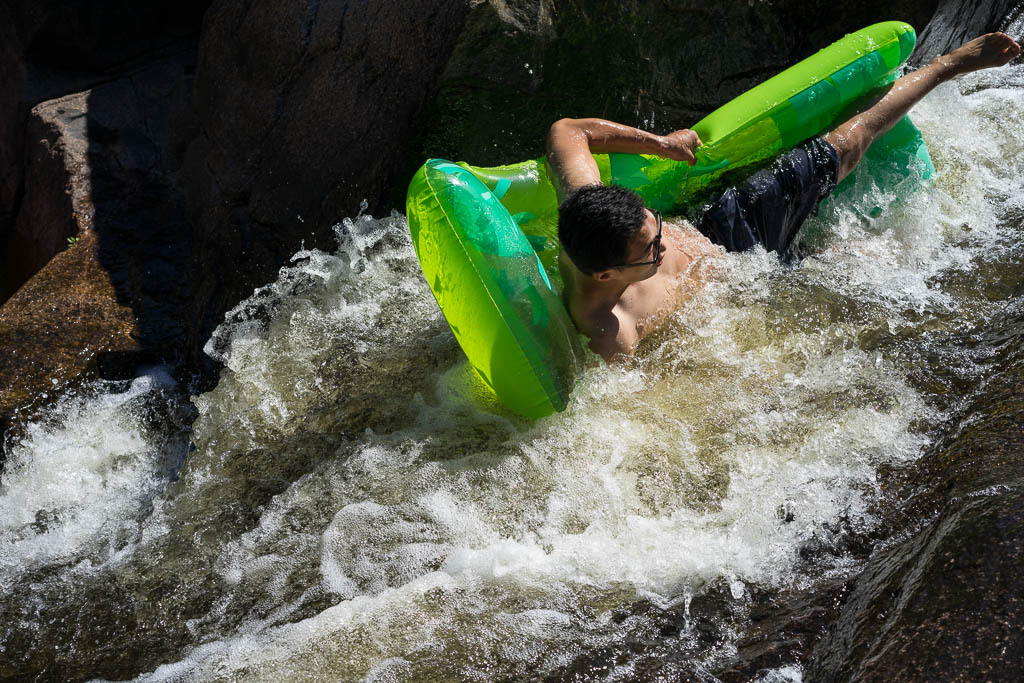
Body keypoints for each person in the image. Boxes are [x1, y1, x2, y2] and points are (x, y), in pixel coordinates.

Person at [548, 33, 1021, 363]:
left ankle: (945, 66)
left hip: (724, 226)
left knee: (844, 148)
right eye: (653, 249)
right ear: (607, 275)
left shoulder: (587, 205)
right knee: (869, 268)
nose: (664, 242)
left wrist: (661, 144)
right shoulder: (611, 333)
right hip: (757, 291)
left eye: (656, 224)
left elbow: (568, 130)